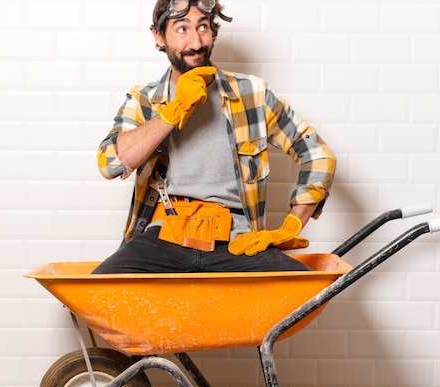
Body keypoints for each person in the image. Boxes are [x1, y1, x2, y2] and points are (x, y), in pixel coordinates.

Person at [93, 0, 336, 274]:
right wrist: (174, 111)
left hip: (237, 241)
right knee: (100, 289)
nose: (196, 42)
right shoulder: (144, 100)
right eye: (182, 29)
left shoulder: (253, 95)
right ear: (159, 36)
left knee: (300, 292)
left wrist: (291, 225)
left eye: (203, 27)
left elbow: (318, 155)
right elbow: (111, 163)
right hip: (163, 237)